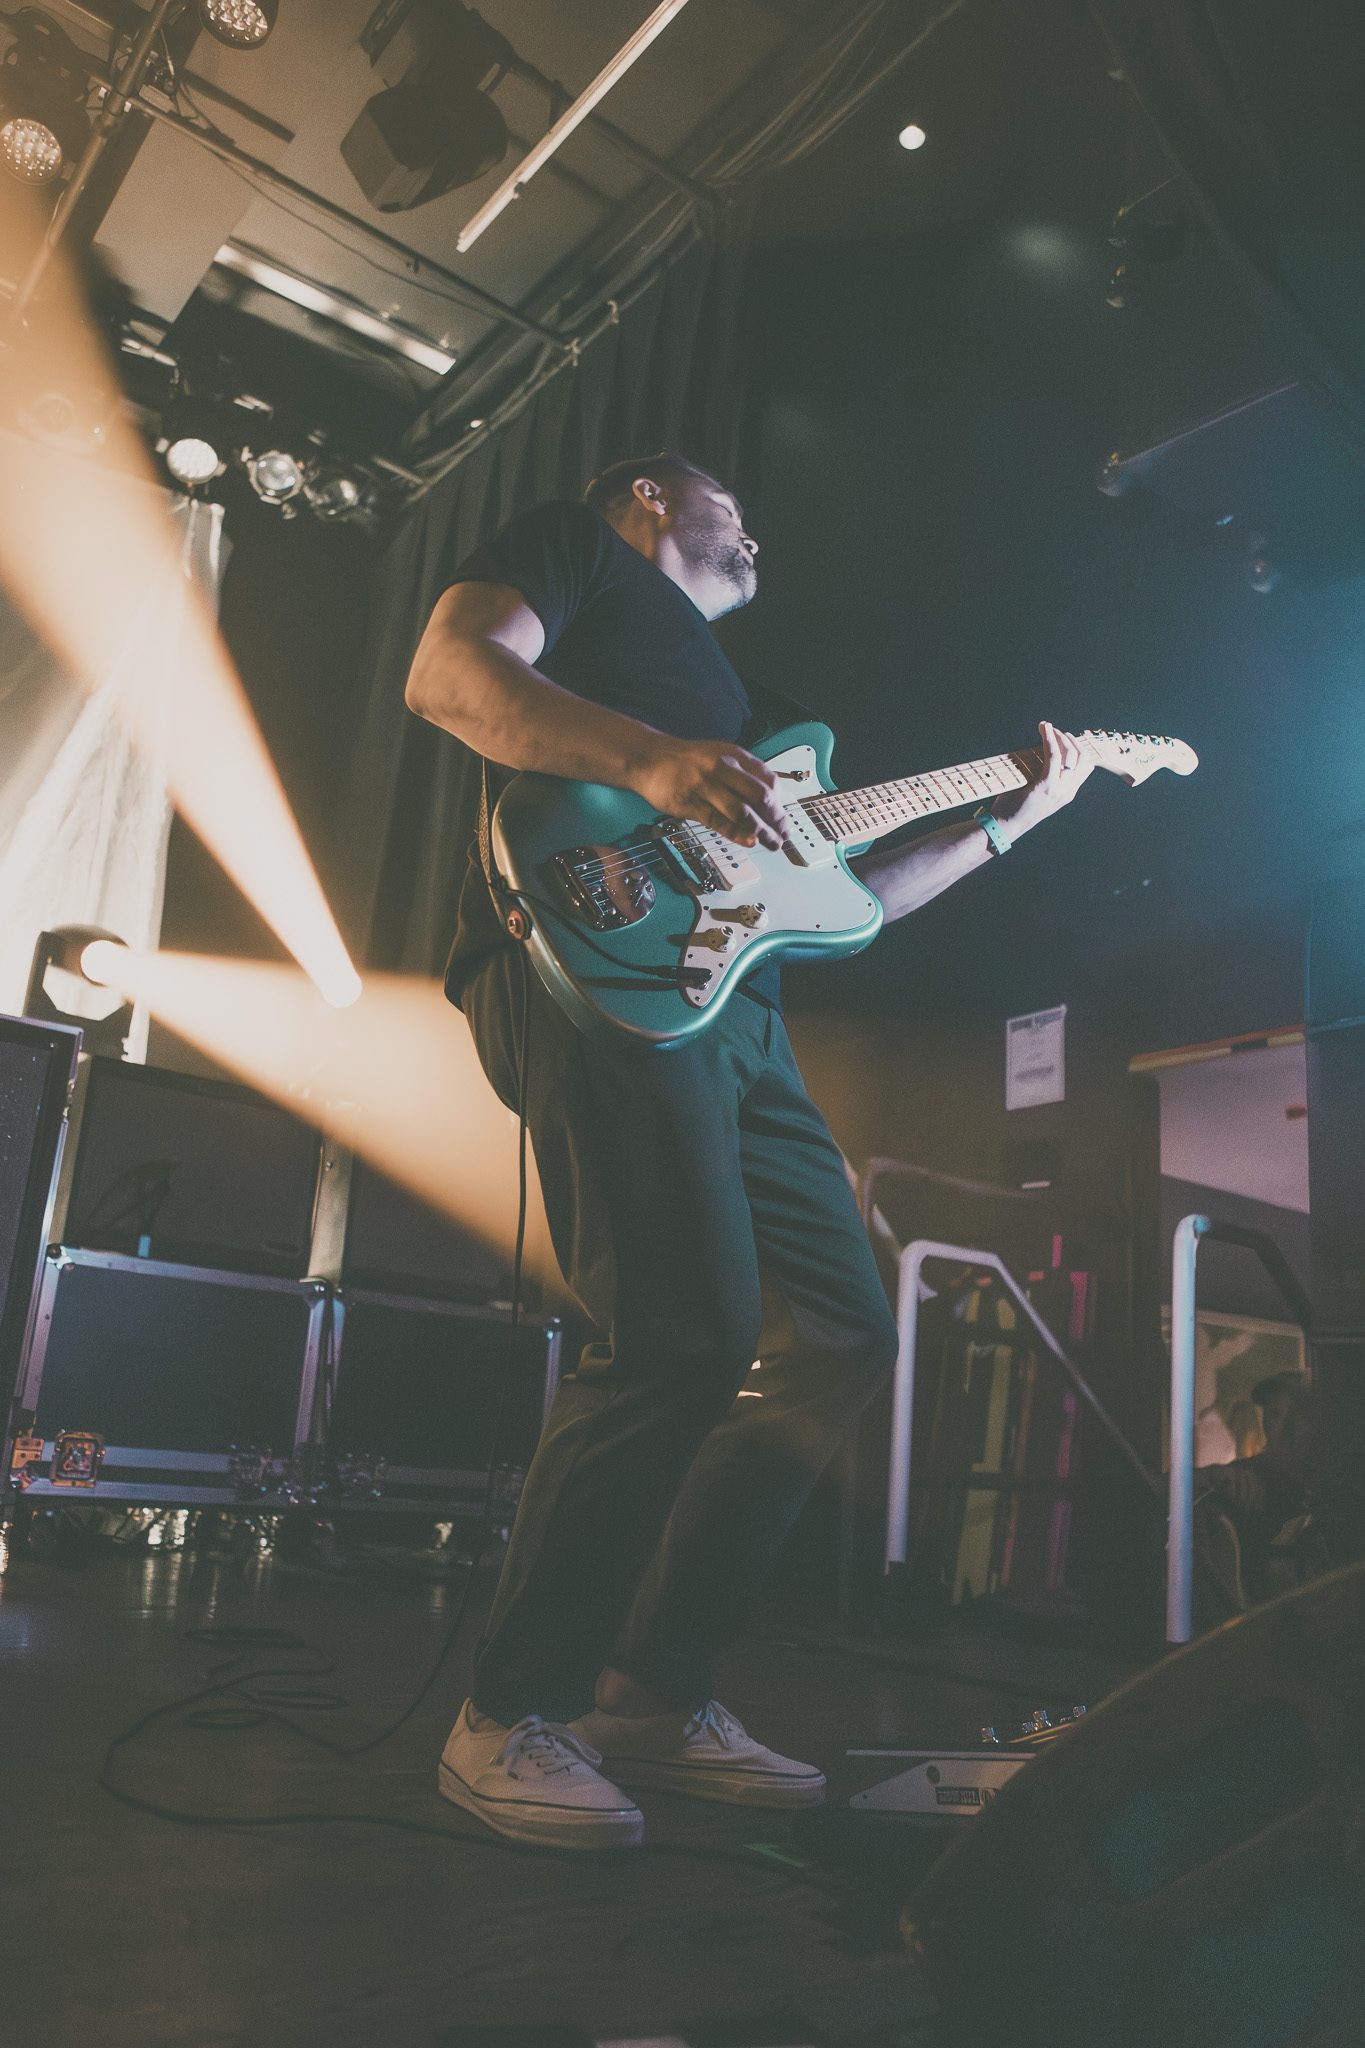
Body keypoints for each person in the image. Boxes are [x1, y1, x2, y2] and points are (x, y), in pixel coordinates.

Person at [404, 452, 1095, 1849]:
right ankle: (506, 1714)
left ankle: (648, 1697)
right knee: (677, 1336)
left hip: (739, 1020)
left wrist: (1007, 820)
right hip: (590, 973)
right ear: (651, 494)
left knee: (841, 1332)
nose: (756, 534)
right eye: (731, 509)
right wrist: (651, 760)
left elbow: (855, 907)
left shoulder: (761, 719)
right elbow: (450, 677)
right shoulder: (576, 556)